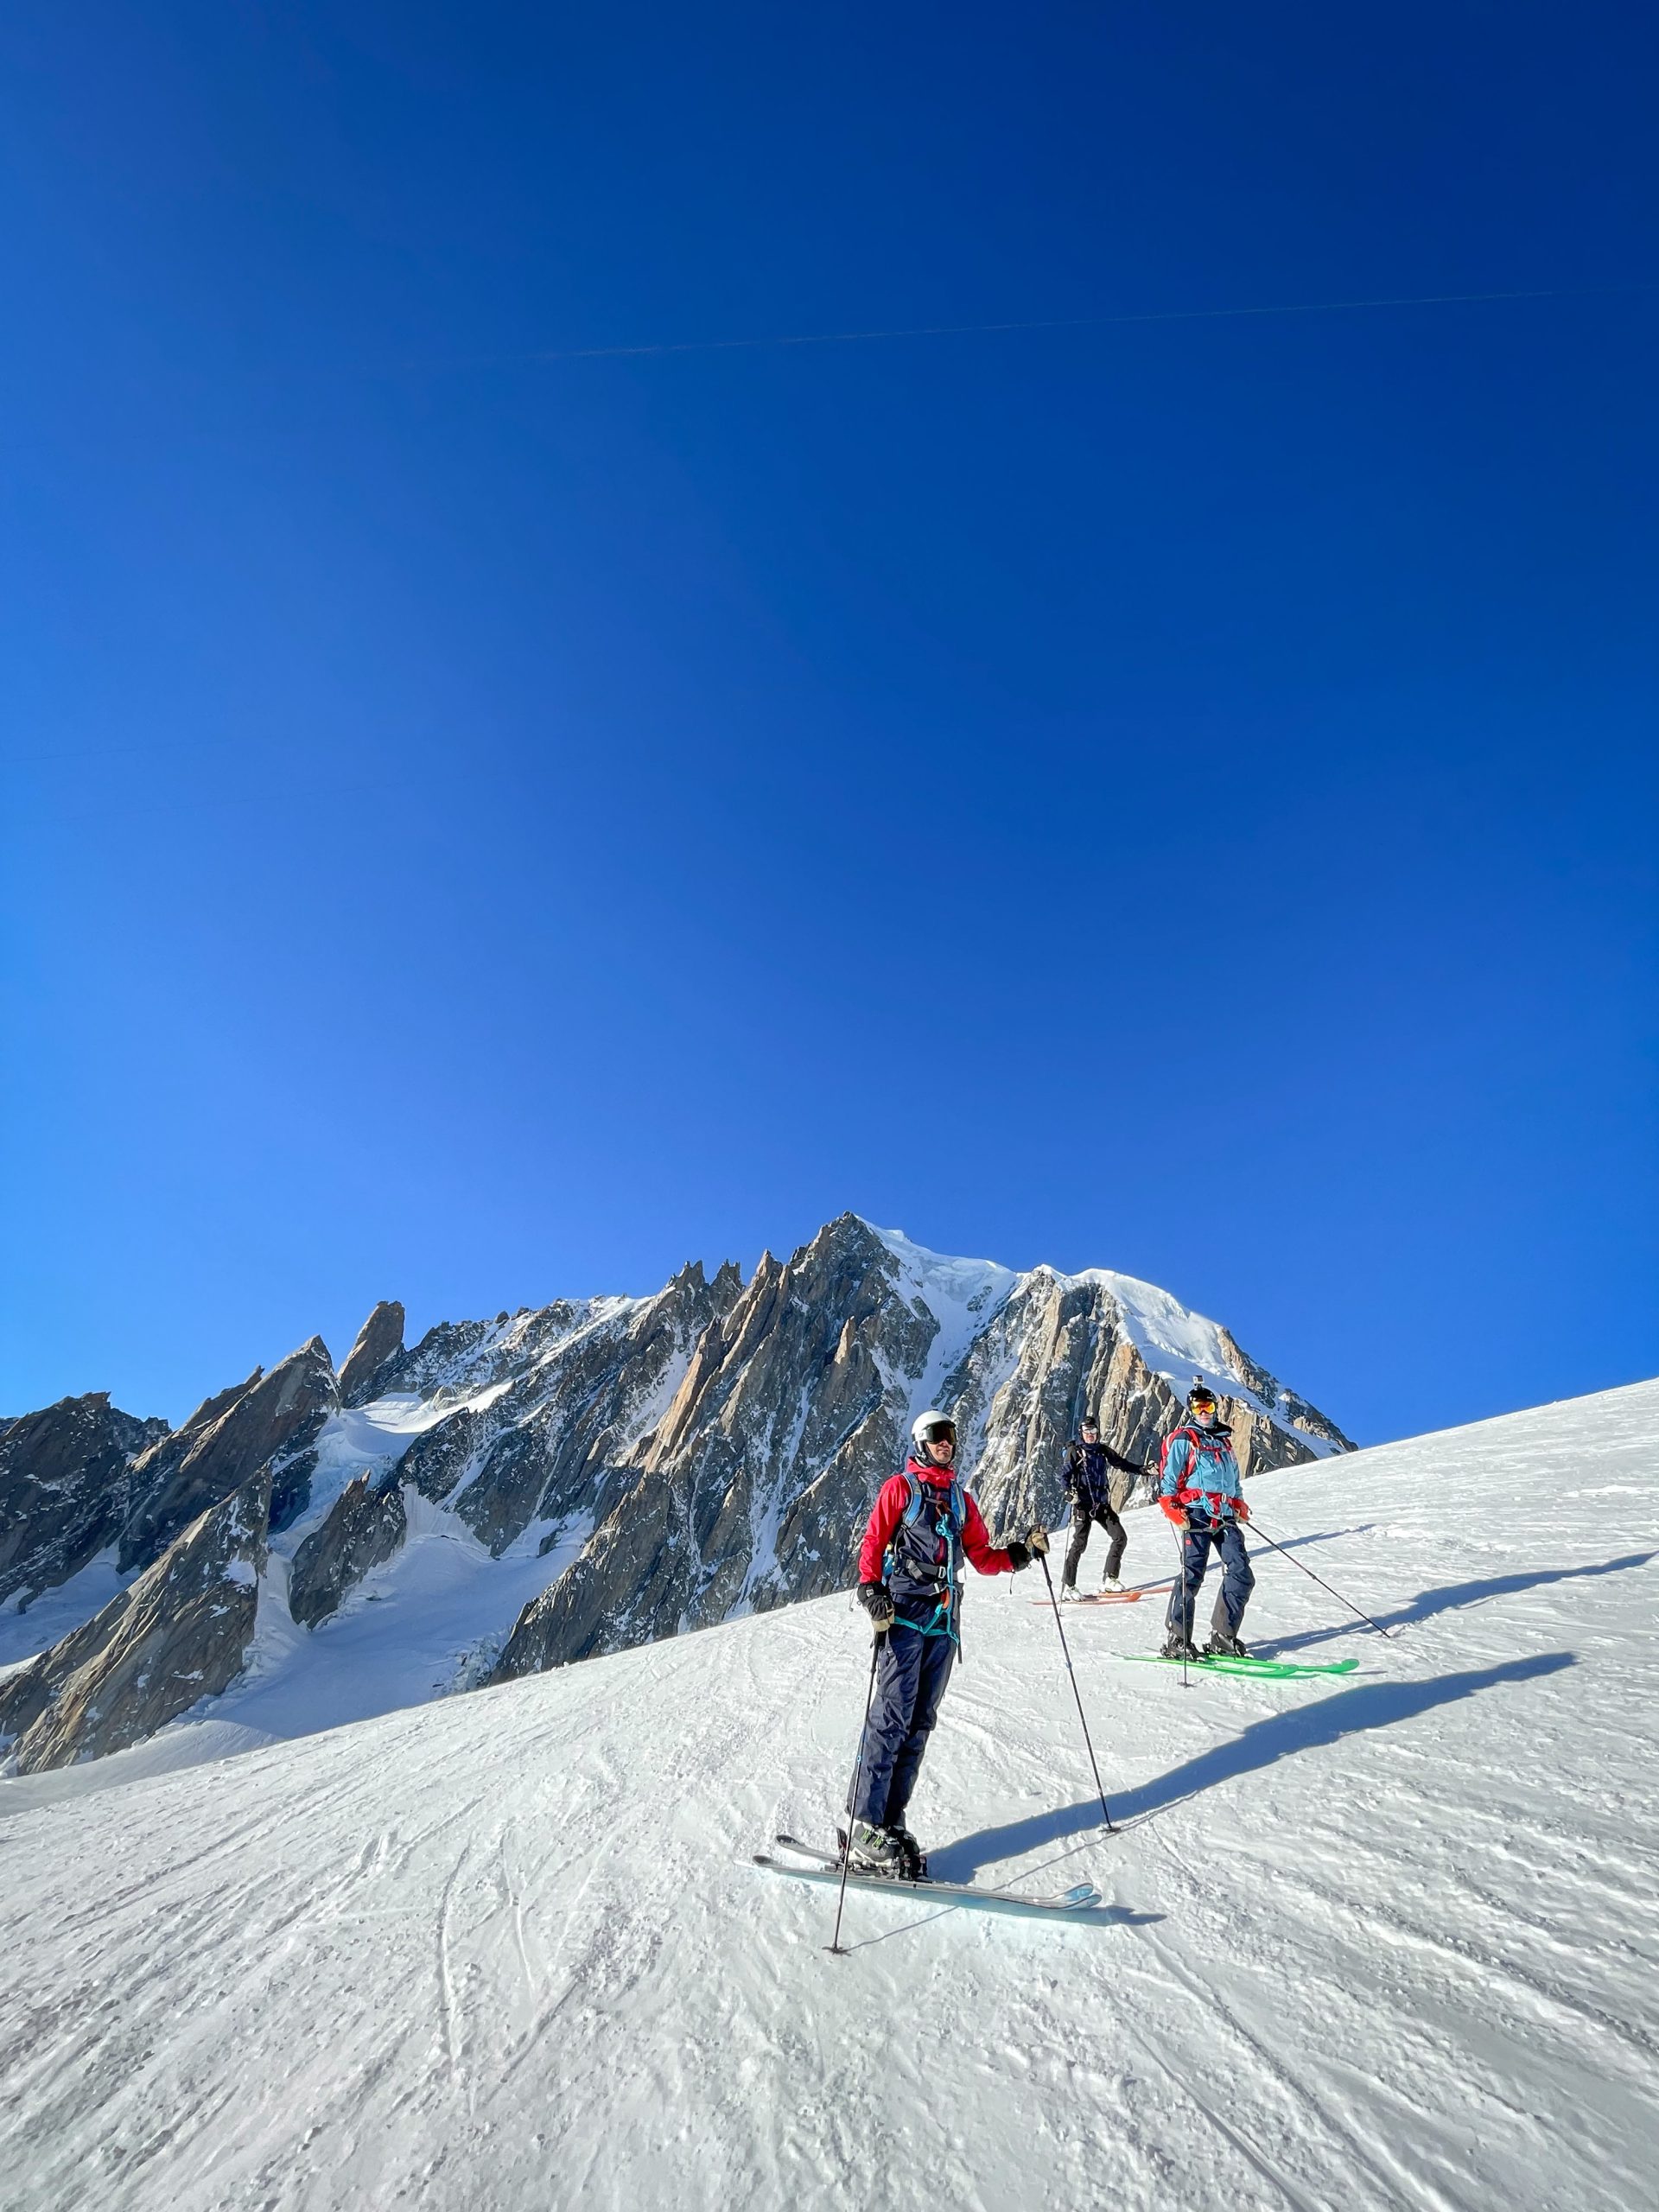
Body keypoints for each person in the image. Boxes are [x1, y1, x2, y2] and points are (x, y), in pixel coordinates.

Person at [847, 1408, 1049, 1875]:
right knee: (891, 1717)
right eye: (938, 1436)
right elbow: (873, 1545)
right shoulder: (900, 1489)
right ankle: (864, 1825)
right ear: (921, 1441)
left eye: (952, 1436)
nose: (947, 1443)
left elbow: (981, 1556)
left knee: (920, 1723)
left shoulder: (960, 1500)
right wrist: (871, 1590)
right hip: (903, 1613)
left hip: (944, 1618)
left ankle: (890, 1823)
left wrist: (1021, 1553)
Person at [1157, 1380, 1255, 1659]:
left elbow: (1233, 1479)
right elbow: (1168, 1481)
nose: (1204, 1411)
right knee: (1192, 1574)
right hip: (1196, 1515)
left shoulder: (1223, 1441)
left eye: (1208, 1406)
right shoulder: (1185, 1439)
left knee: (1241, 1573)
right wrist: (1172, 1508)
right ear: (1191, 1409)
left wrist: (1238, 1503)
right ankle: (1178, 1637)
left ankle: (1223, 1634)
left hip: (1224, 1515)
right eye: (1198, 1406)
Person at [1059, 1414, 1147, 1599]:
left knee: (1120, 1537)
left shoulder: (1103, 1451)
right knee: (1079, 1545)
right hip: (1083, 1505)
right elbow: (1065, 1476)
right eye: (1086, 1431)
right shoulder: (1075, 1452)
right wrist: (1068, 1492)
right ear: (1081, 1433)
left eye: (1093, 1430)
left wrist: (1143, 1470)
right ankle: (1069, 1587)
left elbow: (1122, 1464)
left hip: (1101, 1505)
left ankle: (1110, 1579)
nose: (1090, 1434)